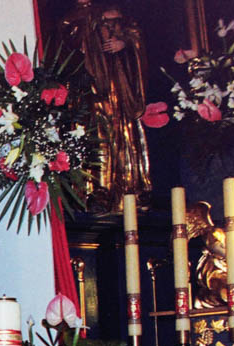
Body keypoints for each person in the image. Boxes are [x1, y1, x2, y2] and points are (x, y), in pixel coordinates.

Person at [58, 0, 152, 213]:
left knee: (122, 131)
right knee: (98, 132)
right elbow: (69, 40)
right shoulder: (73, 17)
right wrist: (90, 24)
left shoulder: (117, 11)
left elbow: (134, 34)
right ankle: (98, 190)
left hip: (119, 83)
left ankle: (128, 189)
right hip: (90, 86)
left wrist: (124, 42)